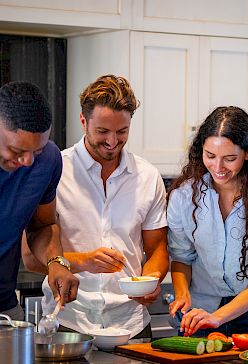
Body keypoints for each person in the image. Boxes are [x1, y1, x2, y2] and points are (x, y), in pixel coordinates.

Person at [22, 75, 169, 339]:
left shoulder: (147, 176)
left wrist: (151, 280)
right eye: (103, 131)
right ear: (83, 121)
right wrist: (86, 261)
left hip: (132, 324)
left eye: (122, 131)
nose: (112, 141)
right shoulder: (55, 171)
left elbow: (157, 247)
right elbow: (31, 259)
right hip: (68, 320)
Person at [167, 106, 248, 337]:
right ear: (200, 151)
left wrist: (218, 317)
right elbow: (181, 258)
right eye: (210, 156)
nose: (218, 168)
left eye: (229, 158)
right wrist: (183, 294)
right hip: (202, 310)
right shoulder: (184, 197)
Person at [0, 81, 79, 321]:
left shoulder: (49, 160)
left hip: (4, 308)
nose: (27, 162)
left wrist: (56, 262)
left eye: (36, 150)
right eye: (16, 151)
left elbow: (42, 226)